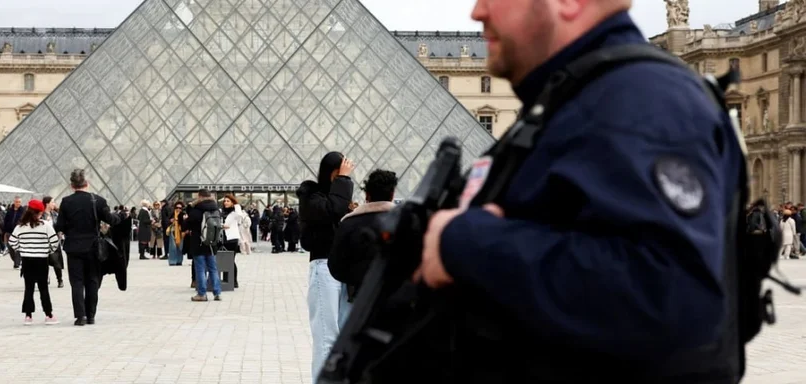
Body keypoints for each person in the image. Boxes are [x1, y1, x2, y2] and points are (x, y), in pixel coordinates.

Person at [412, 0, 745, 382]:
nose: (478, 12)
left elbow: (671, 297)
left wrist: (466, 241)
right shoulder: (578, 99)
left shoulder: (643, 100)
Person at [296, 152, 355, 382]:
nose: (346, 174)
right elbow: (333, 210)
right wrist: (344, 180)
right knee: (325, 337)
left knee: (341, 337)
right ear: (333, 171)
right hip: (324, 268)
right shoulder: (310, 195)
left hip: (342, 269)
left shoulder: (333, 195)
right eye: (341, 171)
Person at [54, 169, 120, 326]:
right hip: (93, 247)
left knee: (76, 282)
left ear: (72, 185)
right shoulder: (98, 200)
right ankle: (91, 315)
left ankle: (80, 316)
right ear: (87, 183)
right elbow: (111, 219)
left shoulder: (66, 201)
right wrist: (120, 217)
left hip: (73, 248)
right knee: (92, 281)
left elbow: (60, 226)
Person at [328, 169, 397, 312]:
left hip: (360, 299)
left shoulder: (348, 223)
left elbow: (335, 266)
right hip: (397, 299)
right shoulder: (407, 222)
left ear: (367, 195)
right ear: (392, 194)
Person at [9, 199, 61, 326]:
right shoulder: (45, 225)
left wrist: (22, 249)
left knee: (29, 288)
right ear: (39, 213)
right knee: (44, 288)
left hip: (27, 260)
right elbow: (54, 242)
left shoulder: (20, 226)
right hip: (42, 260)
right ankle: (48, 315)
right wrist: (47, 250)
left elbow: (12, 242)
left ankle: (28, 316)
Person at [183, 189, 222, 302]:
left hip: (198, 242)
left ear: (199, 196)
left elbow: (186, 225)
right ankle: (217, 293)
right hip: (211, 243)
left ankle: (202, 294)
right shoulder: (216, 208)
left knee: (200, 269)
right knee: (213, 269)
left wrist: (188, 212)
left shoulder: (197, 209)